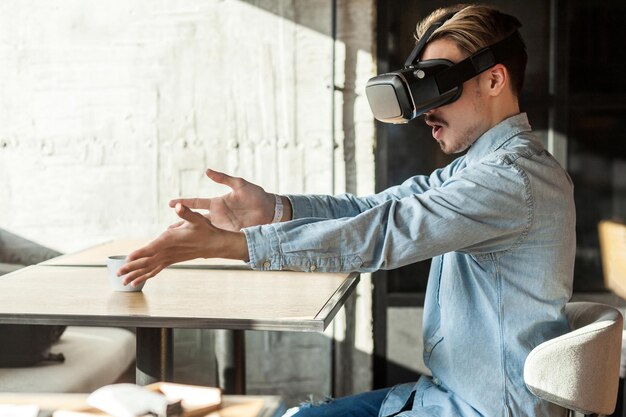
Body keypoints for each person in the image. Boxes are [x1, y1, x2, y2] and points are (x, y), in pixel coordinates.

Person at [119, 4, 575, 417]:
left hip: (483, 409)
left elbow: (385, 232)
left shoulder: (511, 180)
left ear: (494, 80)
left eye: (440, 87)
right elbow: (376, 207)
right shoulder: (481, 168)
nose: (426, 114)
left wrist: (232, 245)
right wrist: (273, 209)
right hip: (446, 395)